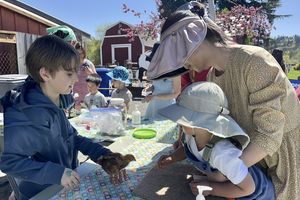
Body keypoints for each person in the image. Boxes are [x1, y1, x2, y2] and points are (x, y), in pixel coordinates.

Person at [147, 2, 300, 200]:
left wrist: (222, 173)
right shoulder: (211, 76)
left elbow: (268, 136)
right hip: (248, 159)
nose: (183, 65)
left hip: (280, 158)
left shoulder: (255, 60)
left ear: (195, 37)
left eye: (181, 55)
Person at [0, 35, 127, 200]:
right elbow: (10, 163)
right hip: (40, 192)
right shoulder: (27, 114)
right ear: (45, 74)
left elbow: (72, 138)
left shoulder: (56, 100)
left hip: (63, 186)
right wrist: (57, 173)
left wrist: (104, 157)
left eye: (76, 71)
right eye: (69, 73)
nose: (75, 78)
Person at [158, 82, 276, 199]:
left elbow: (248, 188)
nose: (178, 121)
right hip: (229, 185)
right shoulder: (192, 135)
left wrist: (211, 188)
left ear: (199, 123)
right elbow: (188, 149)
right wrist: (172, 157)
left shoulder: (222, 153)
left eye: (183, 118)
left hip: (254, 194)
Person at [141, 43, 181, 120]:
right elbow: (155, 86)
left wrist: (154, 97)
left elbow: (176, 93)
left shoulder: (175, 72)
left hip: (167, 108)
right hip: (153, 106)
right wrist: (149, 88)